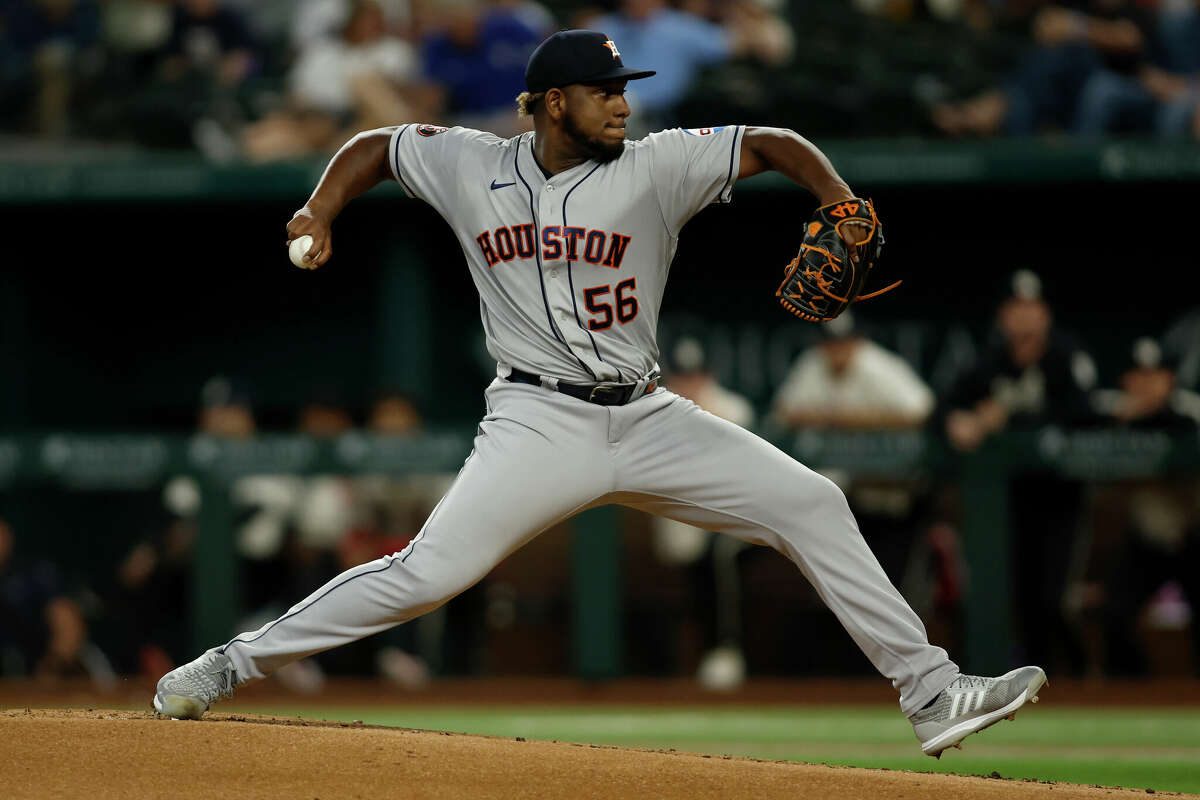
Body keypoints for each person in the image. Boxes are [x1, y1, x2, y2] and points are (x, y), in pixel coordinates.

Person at [154, 28, 1046, 757]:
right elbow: (375, 148)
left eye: (624, 88)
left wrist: (840, 198)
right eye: (603, 90)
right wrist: (319, 209)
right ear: (551, 104)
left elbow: (772, 143)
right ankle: (232, 664)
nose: (623, 102)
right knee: (429, 574)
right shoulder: (471, 163)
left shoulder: (655, 165)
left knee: (812, 500)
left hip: (650, 413)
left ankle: (932, 693)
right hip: (536, 418)